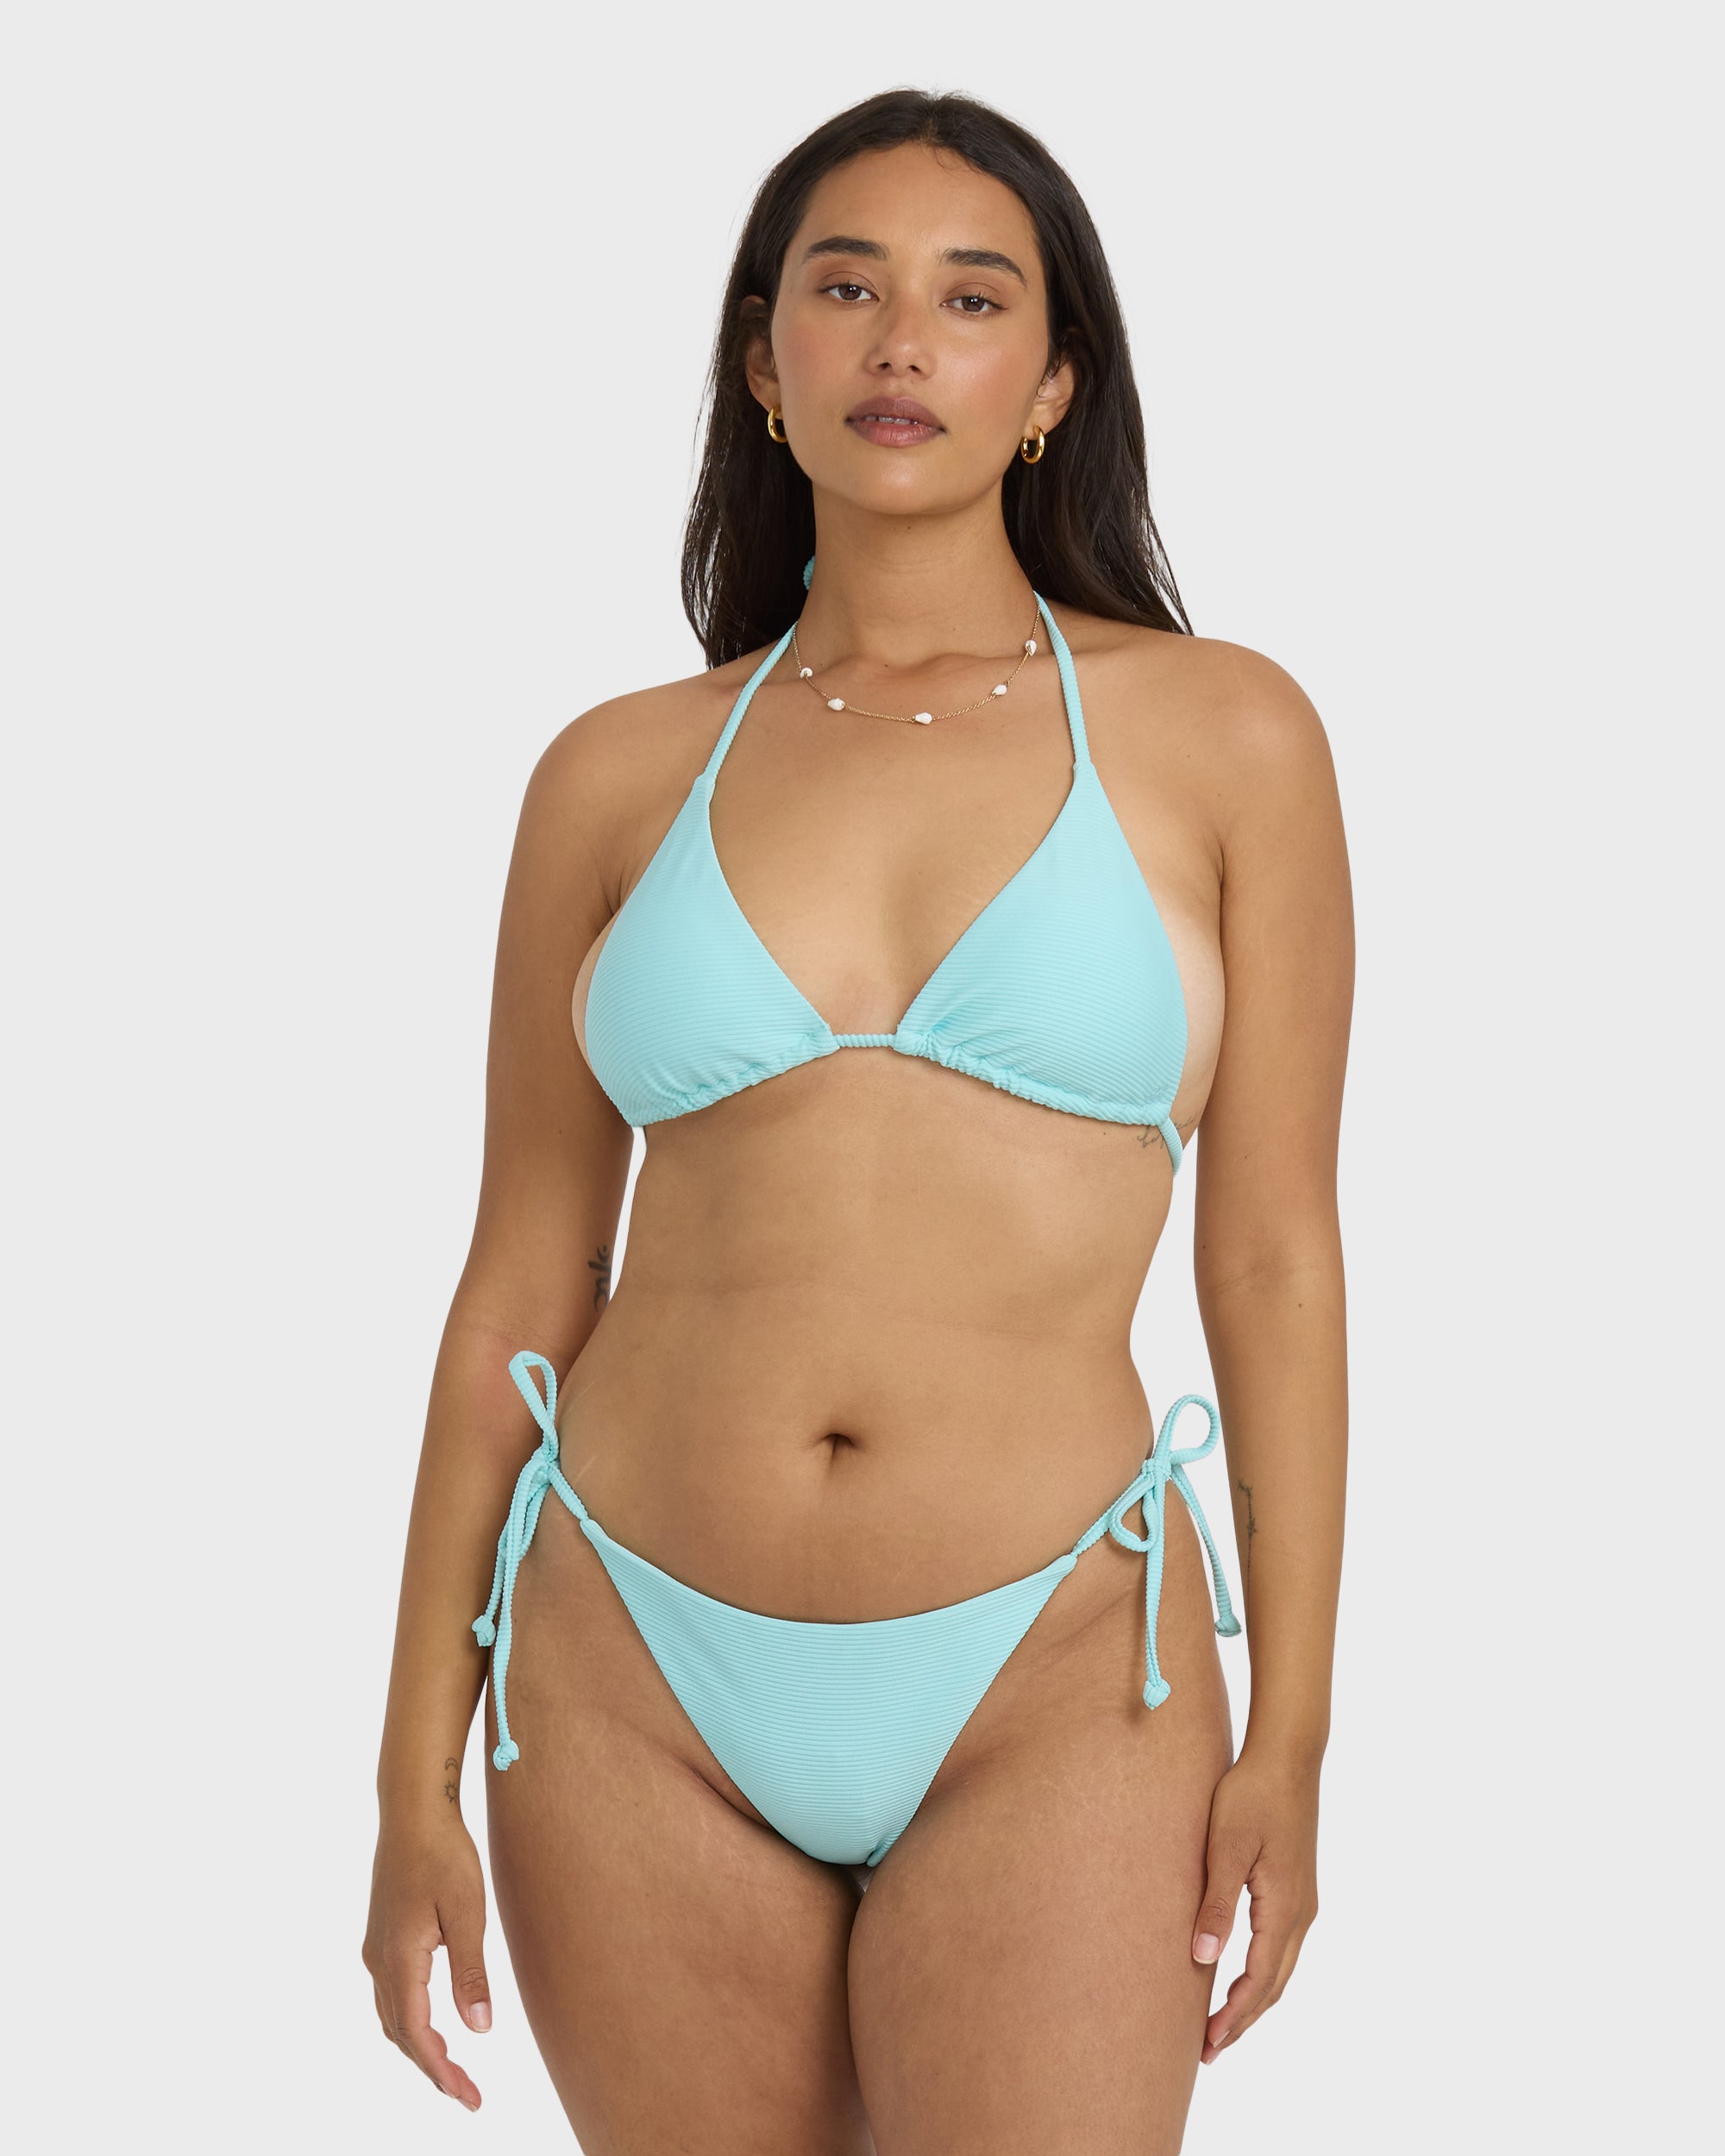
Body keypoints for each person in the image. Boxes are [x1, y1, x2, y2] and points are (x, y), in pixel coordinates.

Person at [362, 86, 1352, 2153]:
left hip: (1058, 1659)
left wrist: (1297, 1734)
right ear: (764, 356)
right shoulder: (614, 773)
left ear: (1054, 385)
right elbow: (520, 1282)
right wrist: (405, 1772)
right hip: (623, 1656)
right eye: (845, 288)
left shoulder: (1225, 734)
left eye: (971, 298)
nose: (901, 342)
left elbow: (1271, 1260)